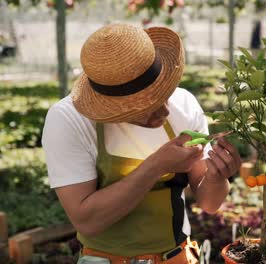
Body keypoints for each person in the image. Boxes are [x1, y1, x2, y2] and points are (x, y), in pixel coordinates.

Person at [42, 24, 241, 264]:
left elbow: (209, 203)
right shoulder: (69, 120)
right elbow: (87, 221)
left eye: (163, 93)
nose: (164, 111)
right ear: (110, 106)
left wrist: (217, 176)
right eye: (145, 106)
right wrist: (156, 165)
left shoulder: (184, 104)